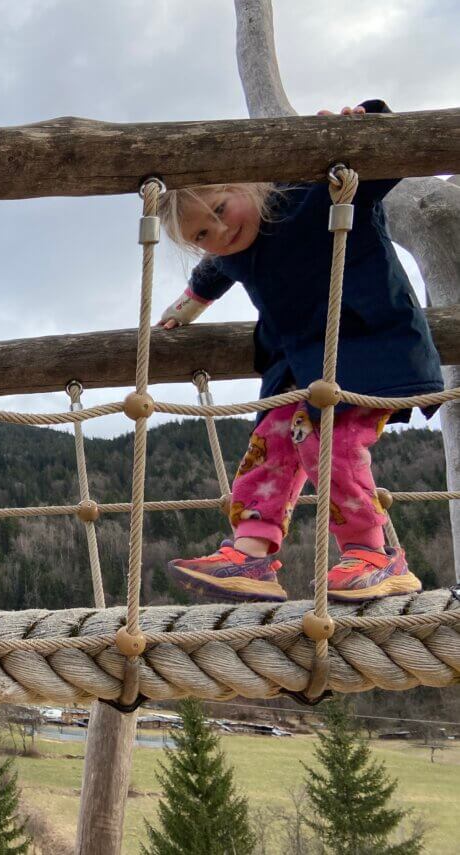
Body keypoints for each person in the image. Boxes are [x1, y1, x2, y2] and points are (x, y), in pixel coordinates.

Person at [157, 101, 443, 603]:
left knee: (327, 443)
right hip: (294, 368)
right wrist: (180, 314)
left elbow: (386, 160)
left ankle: (373, 553)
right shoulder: (233, 251)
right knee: (270, 446)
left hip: (365, 349)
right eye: (203, 234)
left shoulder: (312, 194)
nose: (220, 234)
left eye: (221, 212)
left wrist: (361, 125)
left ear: (245, 186)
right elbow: (211, 275)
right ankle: (251, 553)